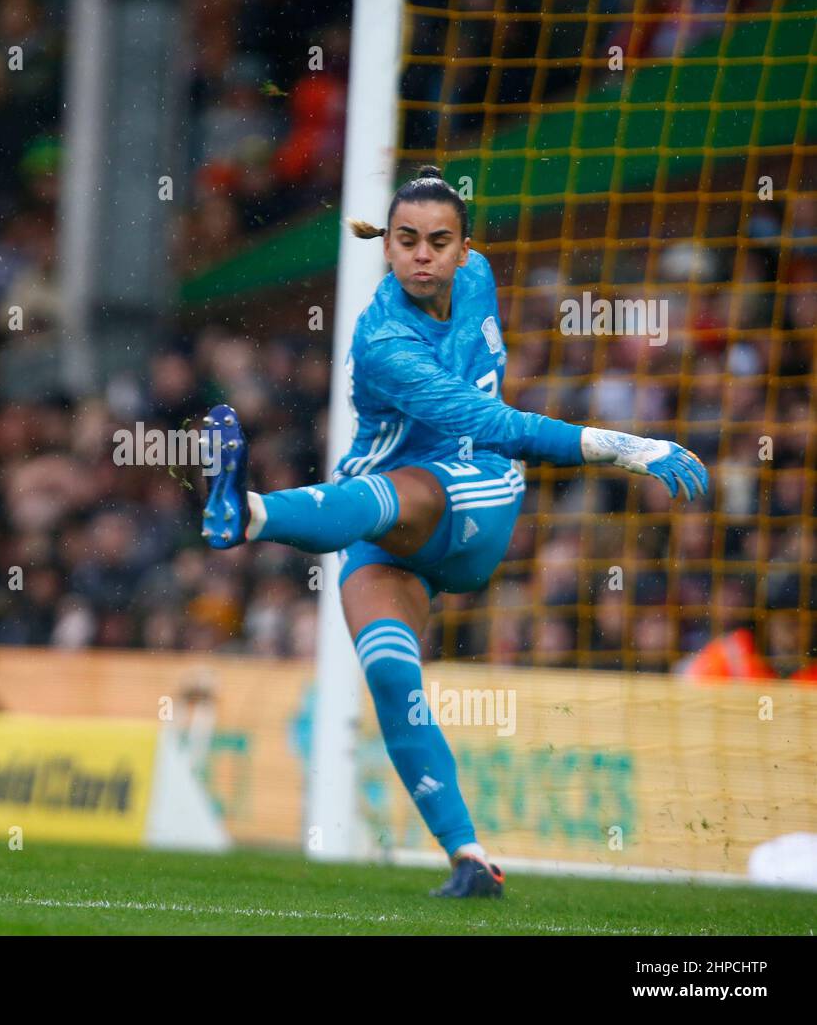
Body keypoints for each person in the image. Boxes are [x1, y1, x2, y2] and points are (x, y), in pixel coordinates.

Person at [200, 166, 709, 897]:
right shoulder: (383, 340)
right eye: (406, 240)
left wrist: (629, 447)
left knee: (399, 493)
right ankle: (470, 858)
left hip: (478, 499)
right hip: (383, 524)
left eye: (439, 241)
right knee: (389, 675)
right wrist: (626, 446)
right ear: (387, 249)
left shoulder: (479, 281)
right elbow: (491, 416)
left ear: (465, 249)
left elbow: (493, 430)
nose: (422, 255)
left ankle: (250, 513)